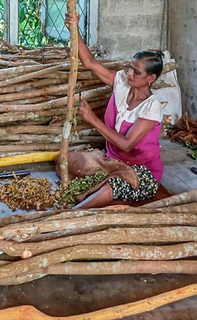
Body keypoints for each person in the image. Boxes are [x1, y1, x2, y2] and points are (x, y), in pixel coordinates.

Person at [64, 12, 164, 209]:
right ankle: (106, 197)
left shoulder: (152, 108)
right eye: (130, 68)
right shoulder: (121, 83)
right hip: (111, 162)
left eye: (136, 72)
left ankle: (73, 214)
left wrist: (93, 119)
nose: (129, 74)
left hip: (141, 171)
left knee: (112, 187)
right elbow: (90, 63)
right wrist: (74, 28)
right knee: (68, 160)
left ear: (150, 78)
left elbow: (126, 145)